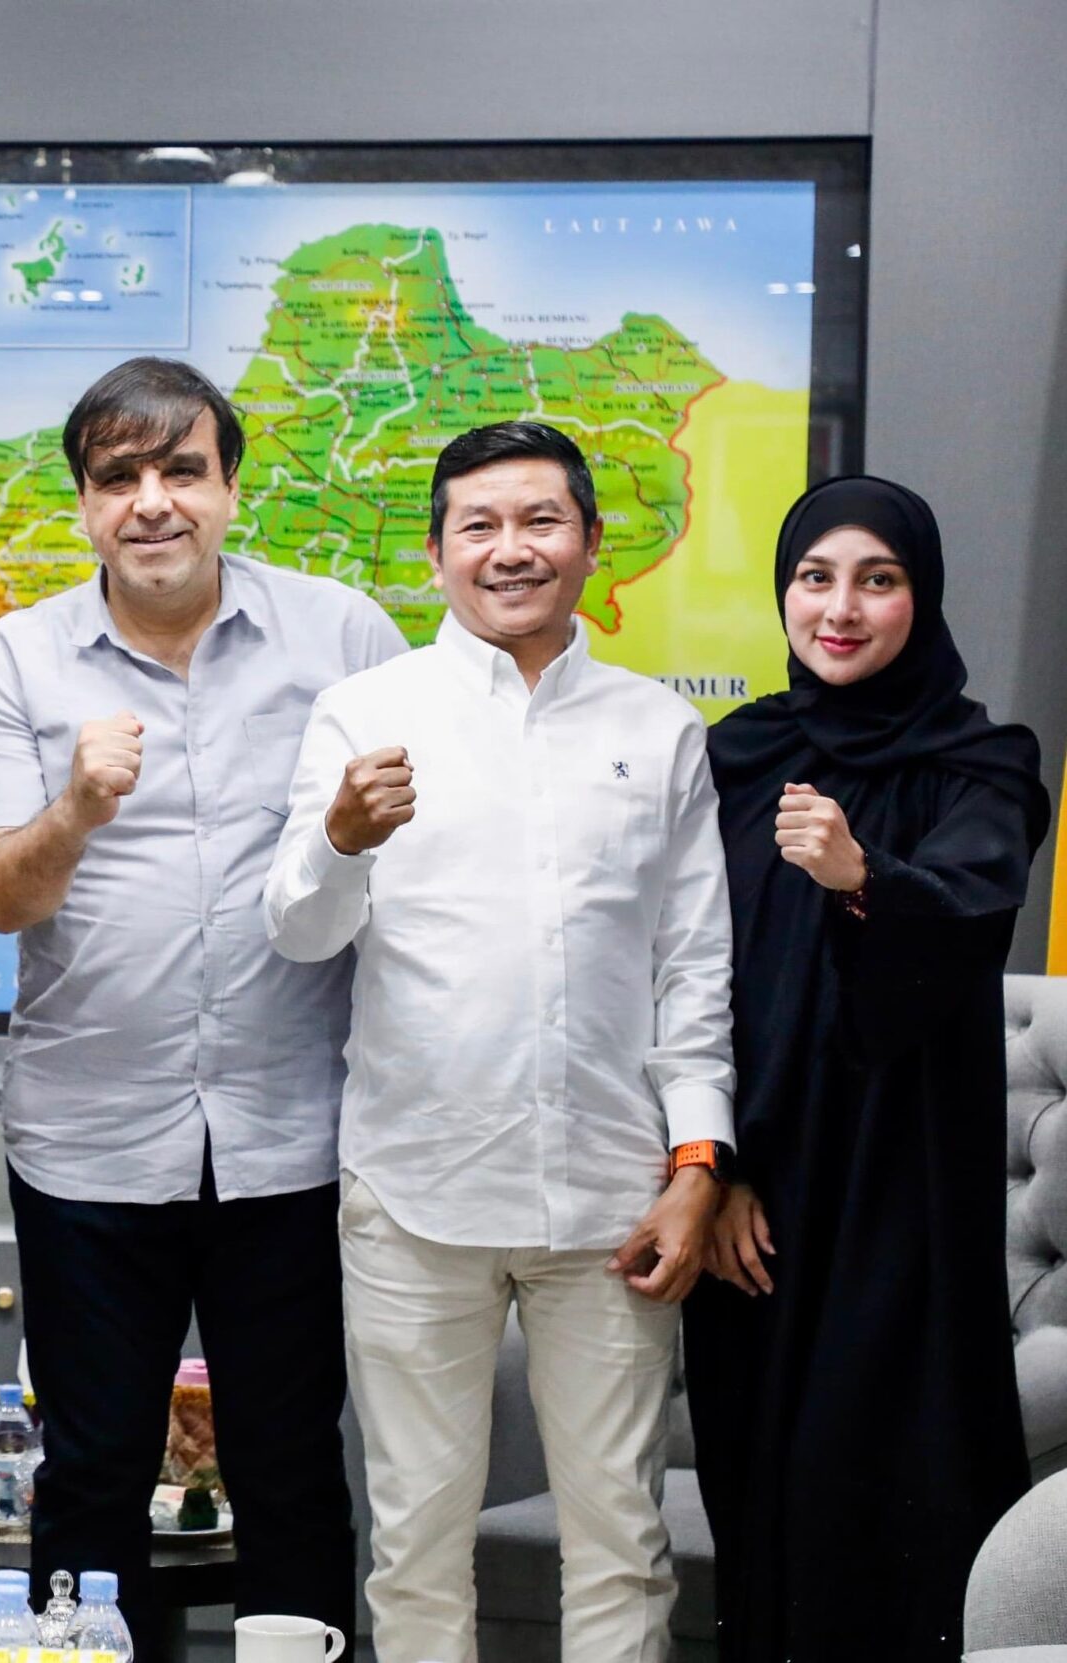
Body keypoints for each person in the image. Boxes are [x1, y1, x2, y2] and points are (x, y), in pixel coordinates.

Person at [264, 419, 736, 1663]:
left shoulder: (659, 729)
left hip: (612, 1201)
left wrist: (698, 1164)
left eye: (540, 521)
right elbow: (298, 932)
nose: (509, 548)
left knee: (622, 1543)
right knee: (416, 1544)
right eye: (478, 525)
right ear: (434, 554)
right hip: (413, 1194)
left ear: (589, 541)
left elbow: (692, 971)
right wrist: (340, 837)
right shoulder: (364, 714)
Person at [0, 356, 400, 1646]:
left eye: (181, 470)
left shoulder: (344, 636)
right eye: (118, 477)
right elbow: (3, 898)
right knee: (91, 1469)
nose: (151, 502)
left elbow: (403, 869)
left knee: (292, 1467)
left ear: (229, 486)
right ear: (83, 503)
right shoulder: (14, 658)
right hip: (90, 1143)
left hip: (295, 1134)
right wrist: (76, 806)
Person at [684, 477, 1048, 1662]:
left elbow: (968, 908)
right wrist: (710, 1166)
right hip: (752, 1187)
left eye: (876, 580)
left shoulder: (982, 761)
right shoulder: (734, 757)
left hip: (902, 1184)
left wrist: (860, 876)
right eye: (814, 577)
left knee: (879, 1476)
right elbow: (679, 971)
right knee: (755, 1478)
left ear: (919, 595)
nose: (839, 608)